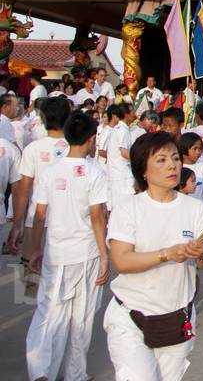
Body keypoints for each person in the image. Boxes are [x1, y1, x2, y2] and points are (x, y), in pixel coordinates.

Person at [104, 130, 203, 379]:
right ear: (143, 169)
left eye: (175, 158)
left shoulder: (194, 208)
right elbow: (121, 261)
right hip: (130, 317)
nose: (172, 166)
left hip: (177, 317)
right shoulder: (128, 209)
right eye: (161, 160)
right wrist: (166, 254)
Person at [24, 112, 108, 381]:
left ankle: (41, 369)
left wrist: (34, 250)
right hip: (86, 252)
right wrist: (104, 255)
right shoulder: (95, 172)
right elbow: (98, 216)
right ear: (92, 139)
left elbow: (39, 215)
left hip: (56, 252)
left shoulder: (50, 172)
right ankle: (74, 373)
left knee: (49, 310)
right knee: (80, 316)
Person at [6, 97, 72, 257]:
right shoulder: (76, 147)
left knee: (32, 277)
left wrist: (16, 226)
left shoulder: (32, 149)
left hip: (35, 221)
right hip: (69, 225)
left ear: (42, 118)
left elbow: (23, 190)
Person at [102, 103, 135, 211]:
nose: (134, 114)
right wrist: (139, 160)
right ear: (126, 114)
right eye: (132, 111)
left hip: (116, 172)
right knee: (123, 204)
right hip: (121, 173)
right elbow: (124, 152)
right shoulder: (122, 130)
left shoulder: (118, 128)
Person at [180, 132, 203, 212]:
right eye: (194, 149)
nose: (198, 152)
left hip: (200, 211)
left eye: (200, 149)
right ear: (184, 148)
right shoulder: (177, 167)